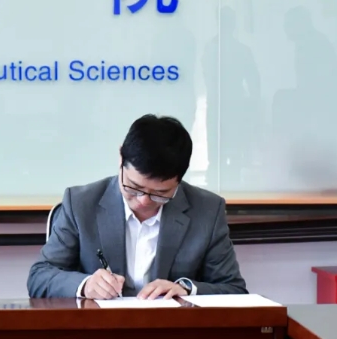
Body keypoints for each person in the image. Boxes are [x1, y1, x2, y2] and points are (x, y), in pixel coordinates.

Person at [27, 114, 247, 300]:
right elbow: (39, 277)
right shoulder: (81, 204)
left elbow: (234, 289)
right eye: (133, 187)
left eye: (160, 194)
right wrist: (85, 285)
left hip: (172, 332)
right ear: (120, 158)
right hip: (98, 331)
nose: (144, 201)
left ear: (179, 181)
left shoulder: (207, 210)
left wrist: (187, 290)